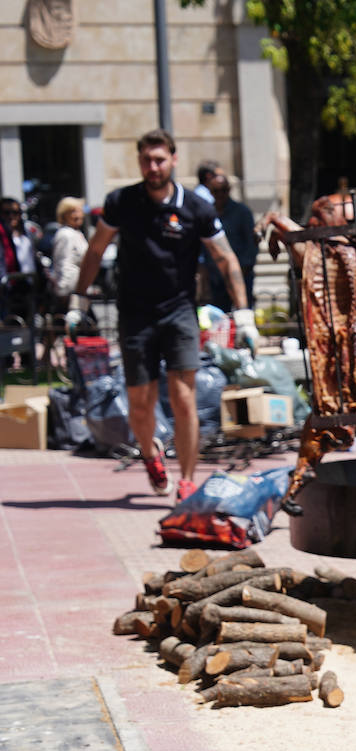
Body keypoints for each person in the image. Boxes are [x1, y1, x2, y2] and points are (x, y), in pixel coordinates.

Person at [75, 129, 249, 503]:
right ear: (139, 163)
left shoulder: (195, 208)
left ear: (174, 159)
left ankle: (186, 480)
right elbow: (95, 250)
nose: (153, 167)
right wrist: (80, 302)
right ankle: (152, 454)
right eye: (146, 160)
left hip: (180, 312)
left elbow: (225, 257)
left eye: (159, 159)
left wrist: (244, 311)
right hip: (135, 314)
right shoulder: (122, 202)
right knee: (140, 403)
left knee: (183, 396)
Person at [203, 172, 260, 351]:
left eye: (223, 190)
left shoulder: (242, 212)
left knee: (244, 317)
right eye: (216, 191)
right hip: (216, 276)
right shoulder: (207, 213)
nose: (220, 194)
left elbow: (251, 243)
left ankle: (246, 348)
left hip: (241, 275)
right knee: (220, 319)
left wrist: (242, 268)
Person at [48, 196, 89, 320]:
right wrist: (63, 290)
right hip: (69, 293)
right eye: (73, 211)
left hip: (79, 290)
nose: (78, 215)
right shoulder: (65, 235)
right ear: (64, 215)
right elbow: (63, 263)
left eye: (79, 210)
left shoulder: (77, 233)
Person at [0, 197, 39, 321]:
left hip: (26, 287)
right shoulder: (3, 235)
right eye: (6, 213)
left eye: (15, 212)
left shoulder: (26, 235)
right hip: (7, 288)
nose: (11, 216)